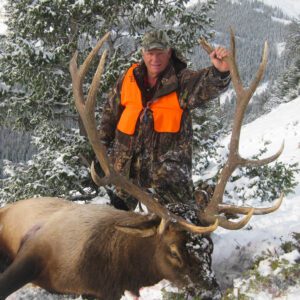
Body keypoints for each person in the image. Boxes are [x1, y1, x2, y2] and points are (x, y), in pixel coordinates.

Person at [99, 30, 231, 210]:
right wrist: (101, 152)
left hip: (167, 179)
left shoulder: (182, 81)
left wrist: (220, 73)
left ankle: (203, 199)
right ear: (143, 53)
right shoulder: (128, 79)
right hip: (127, 172)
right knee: (115, 223)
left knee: (180, 229)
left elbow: (205, 85)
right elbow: (109, 116)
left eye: (160, 53)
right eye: (150, 53)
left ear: (169, 52)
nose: (155, 58)